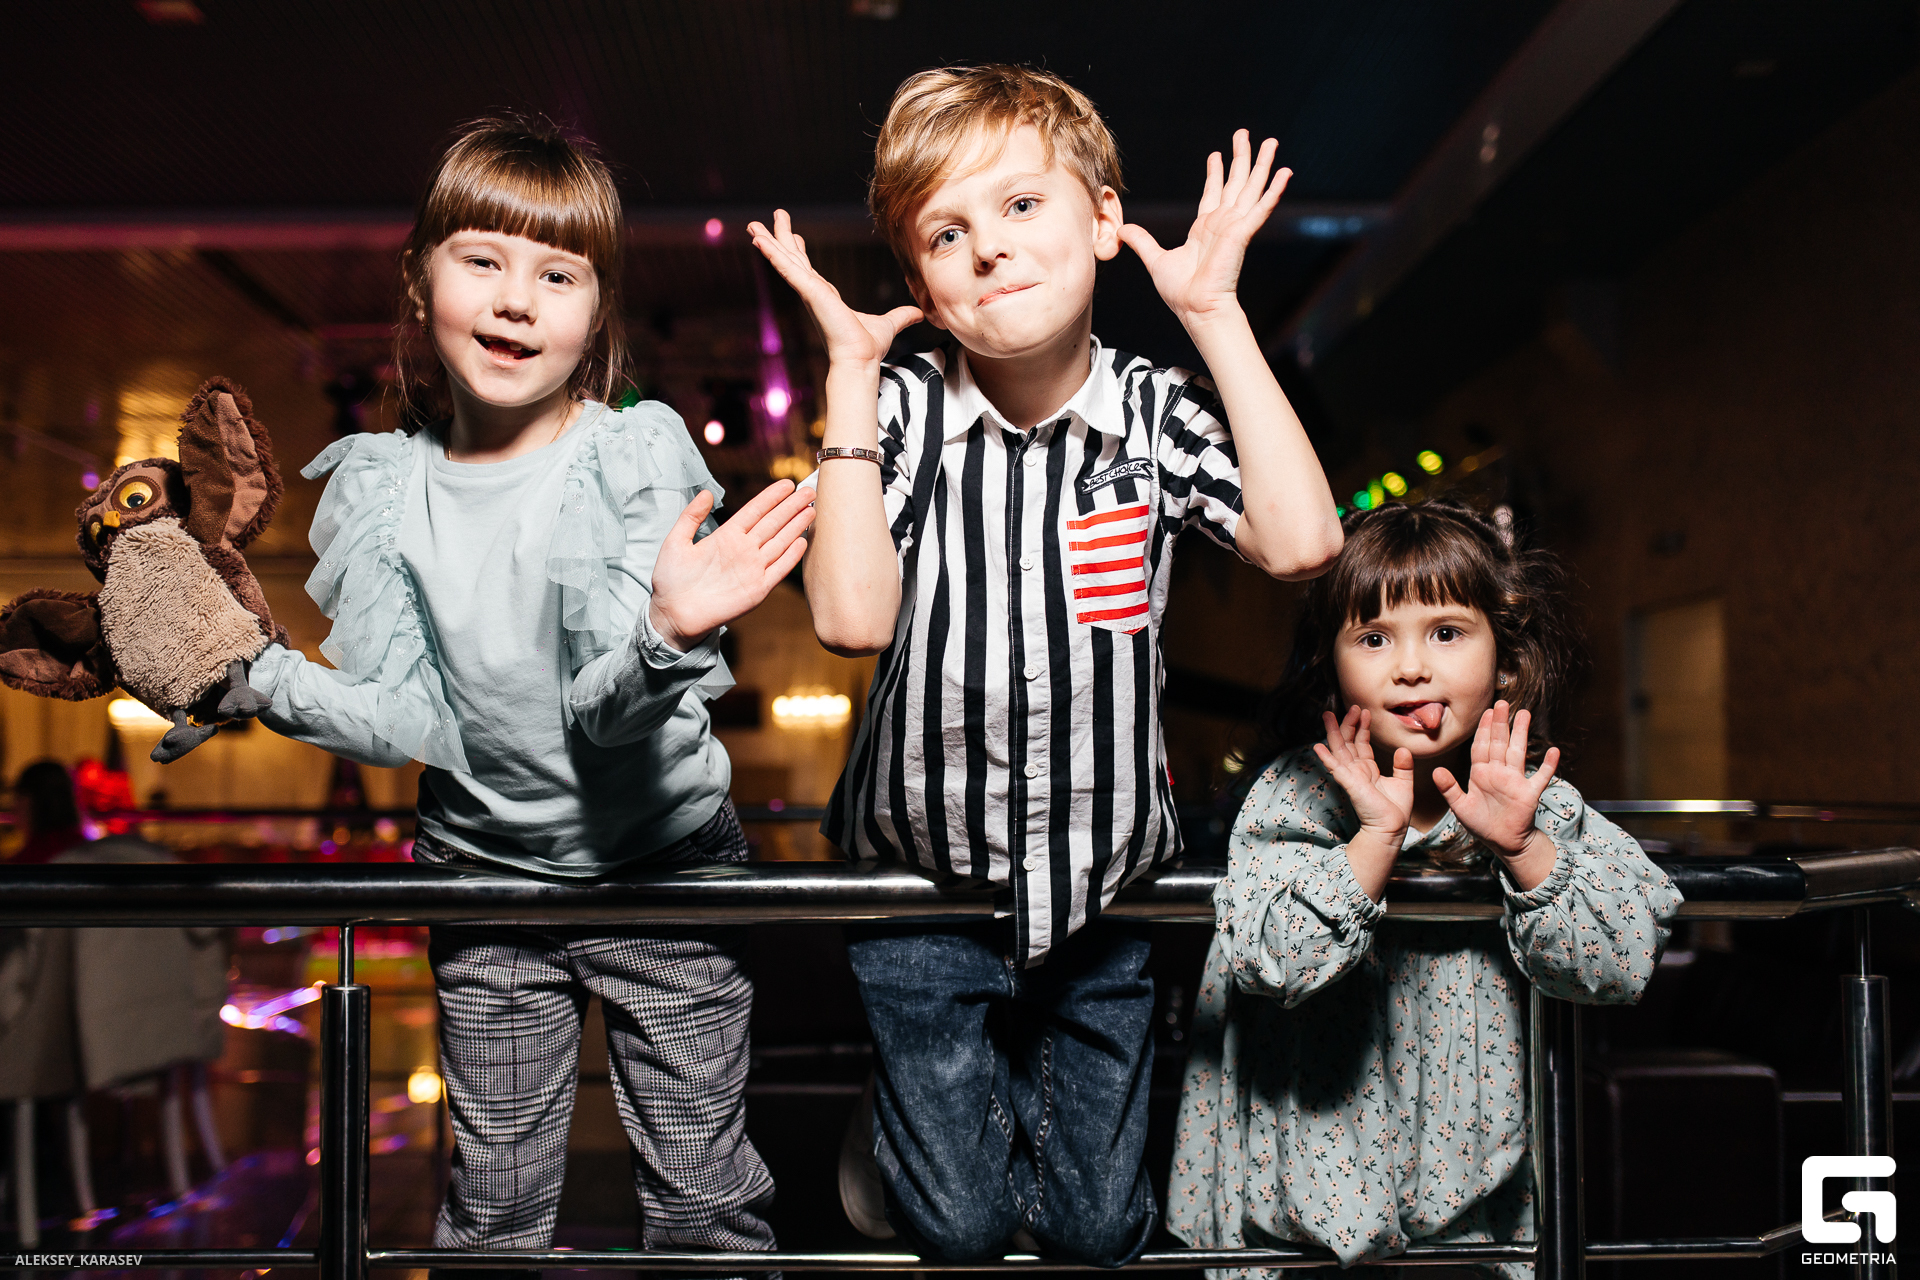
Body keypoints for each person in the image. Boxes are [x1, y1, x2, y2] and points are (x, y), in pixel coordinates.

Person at [749, 65, 1344, 1266]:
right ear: (922, 285)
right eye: (947, 233)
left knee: (1097, 1224)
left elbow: (1302, 542)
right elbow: (852, 619)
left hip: (1101, 896)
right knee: (963, 1225)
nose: (989, 247)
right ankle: (914, 1121)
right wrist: (851, 379)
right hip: (922, 891)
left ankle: (950, 1115)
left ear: (1105, 219)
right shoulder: (901, 411)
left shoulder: (1153, 411)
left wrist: (1214, 313)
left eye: (1022, 205)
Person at [244, 116, 814, 1275]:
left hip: (661, 869)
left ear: (596, 312)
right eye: (483, 260)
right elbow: (399, 714)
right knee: (492, 1213)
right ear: (421, 278)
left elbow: (603, 714)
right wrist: (248, 676)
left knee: (702, 1201)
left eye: (557, 274)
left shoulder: (630, 455)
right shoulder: (385, 485)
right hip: (483, 877)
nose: (516, 299)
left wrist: (665, 634)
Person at [1167, 498, 1682, 1276]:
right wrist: (1375, 840)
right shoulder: (1294, 795)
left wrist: (1523, 848)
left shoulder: (1537, 799)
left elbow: (1621, 959)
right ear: (1329, 664)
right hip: (1304, 1221)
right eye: (1374, 638)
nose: (1411, 667)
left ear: (1504, 658)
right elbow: (1270, 960)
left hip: (1476, 1218)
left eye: (1446, 632)